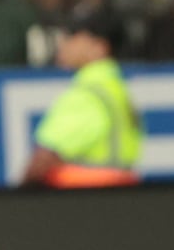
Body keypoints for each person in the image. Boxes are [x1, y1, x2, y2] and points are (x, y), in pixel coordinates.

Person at [23, 11, 141, 185]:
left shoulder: (87, 95)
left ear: (100, 47)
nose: (63, 44)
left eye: (72, 37)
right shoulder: (116, 89)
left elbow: (43, 160)